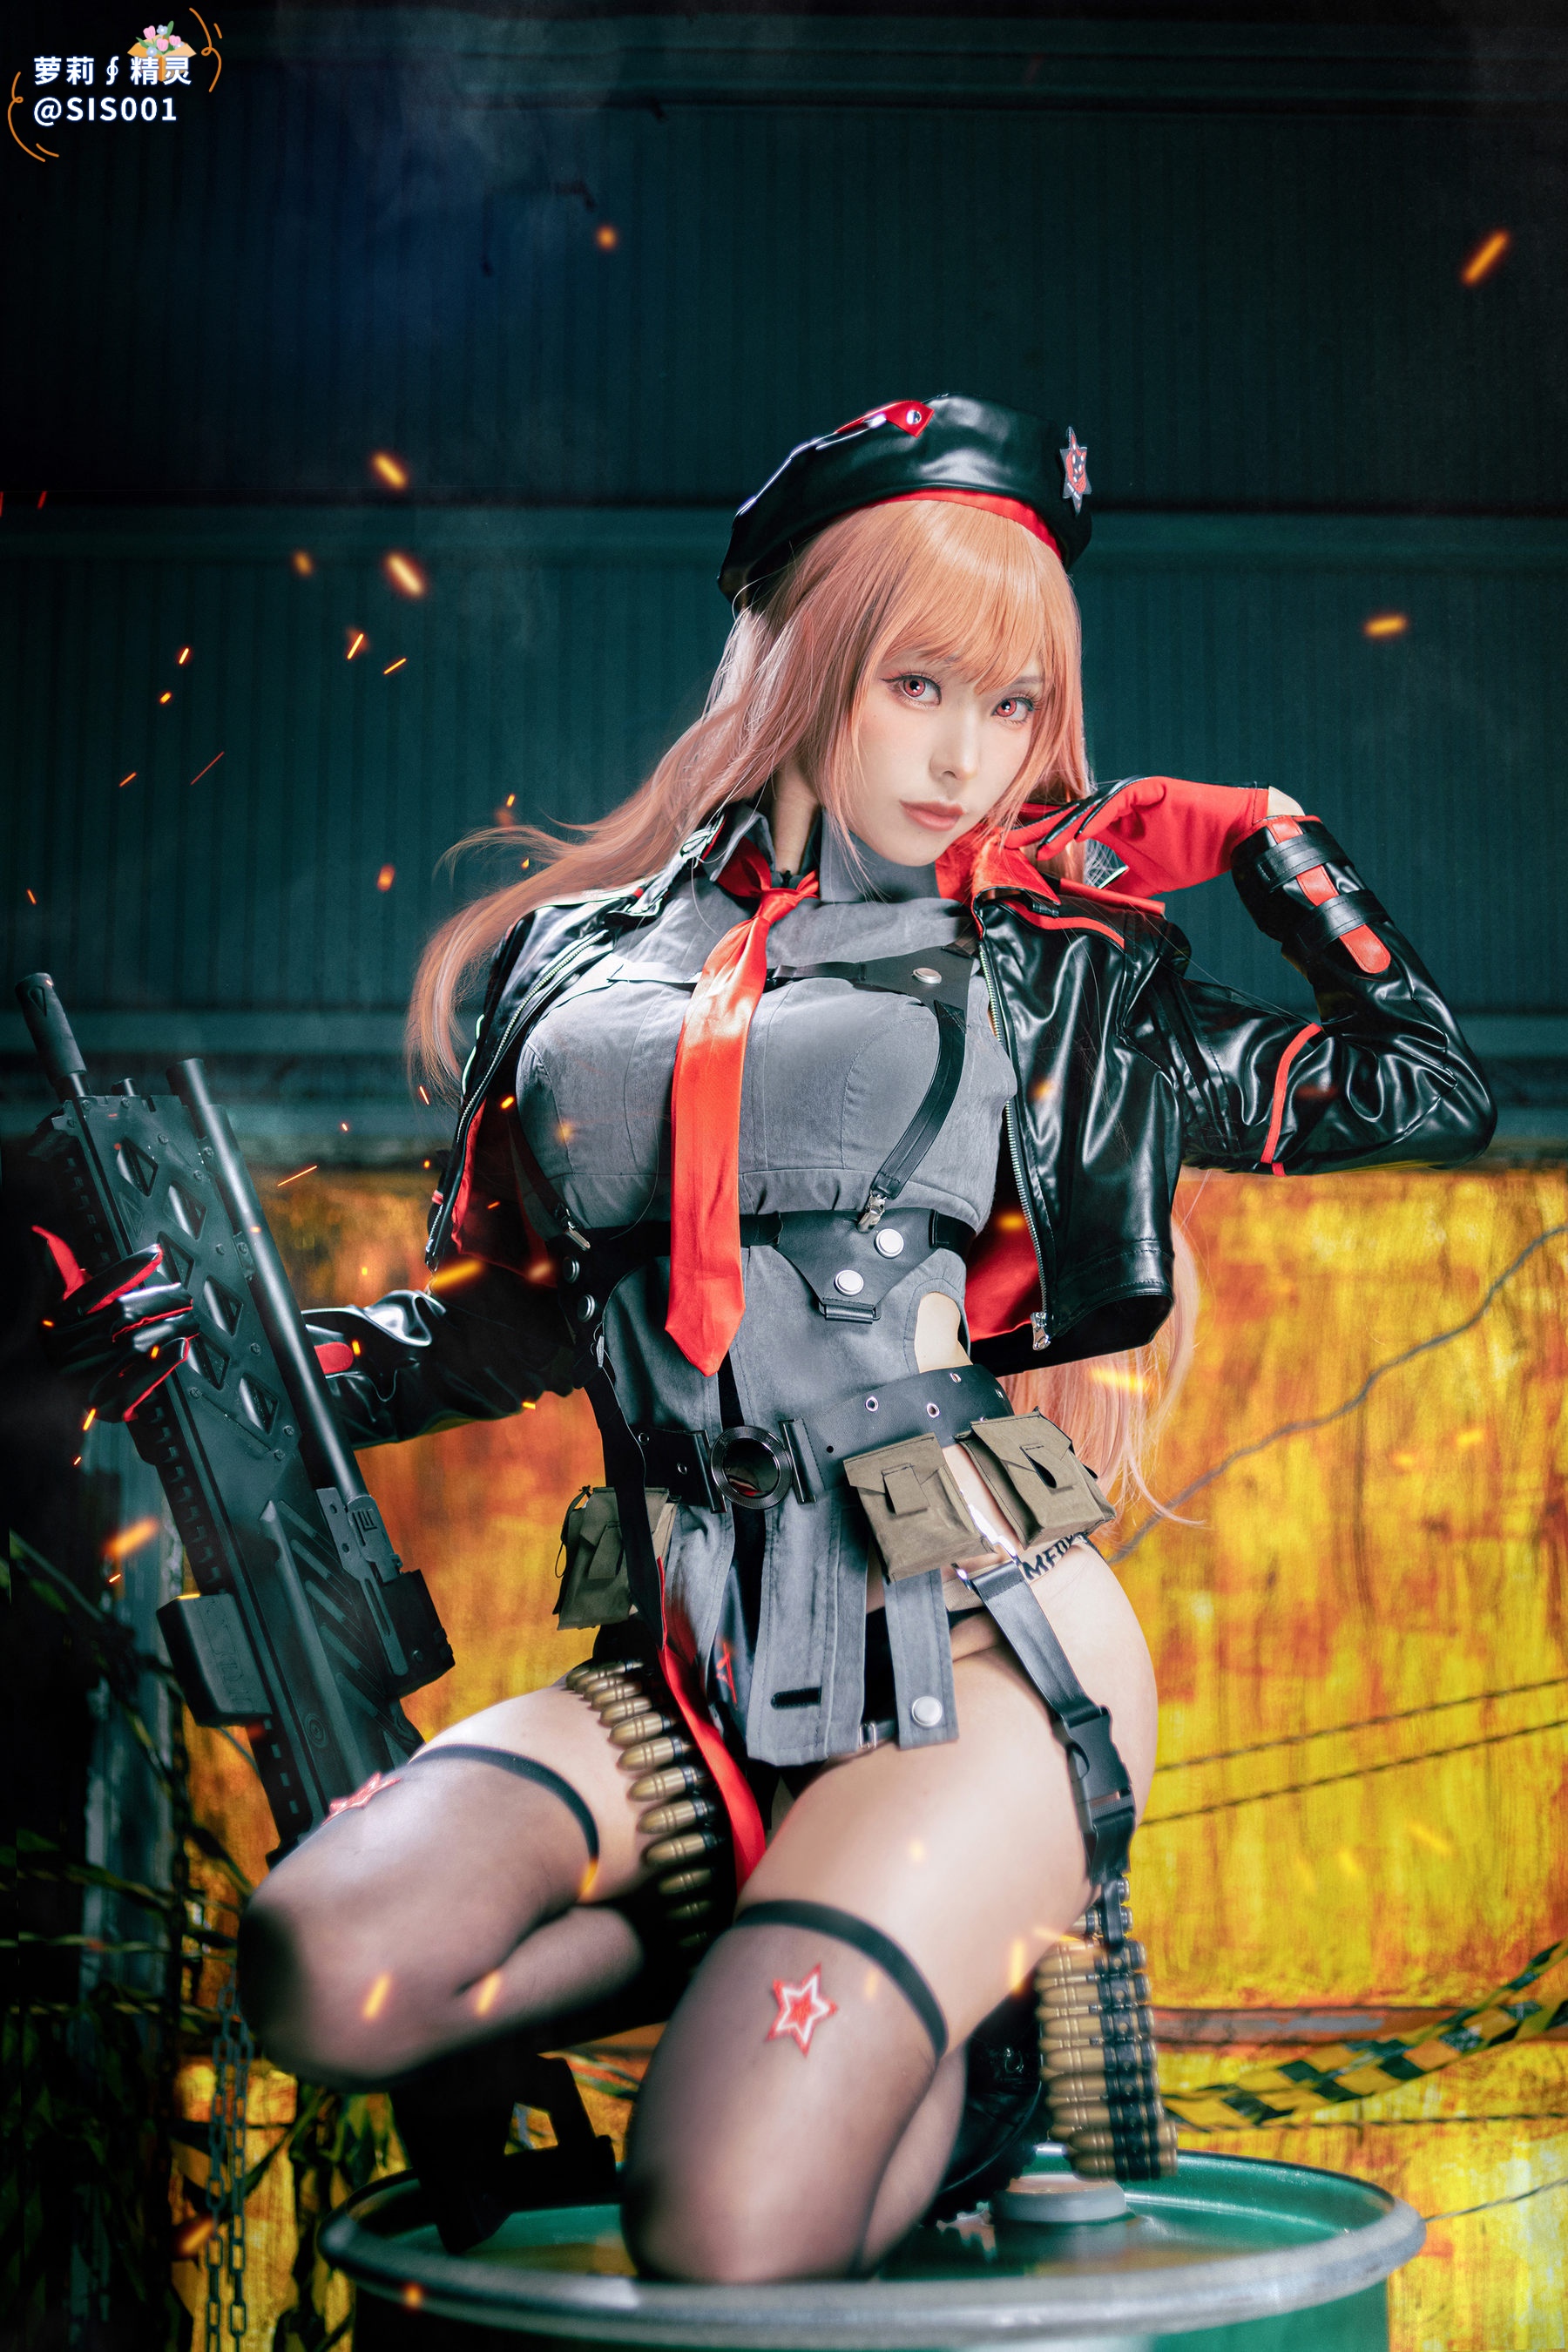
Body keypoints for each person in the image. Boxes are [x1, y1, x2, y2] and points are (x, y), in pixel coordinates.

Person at [49, 397, 1496, 2282]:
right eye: (917, 686)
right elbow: (509, 1328)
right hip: (690, 1657)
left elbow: (1425, 1080)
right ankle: (792, 1950)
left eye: (1013, 708)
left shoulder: (1052, 966)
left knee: (718, 2217)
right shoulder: (580, 965)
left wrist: (1274, 843)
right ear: (806, 661)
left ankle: (962, 2066)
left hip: (974, 1645)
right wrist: (255, 1356)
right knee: (324, 1970)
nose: (967, 758)